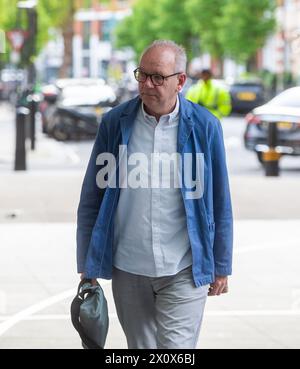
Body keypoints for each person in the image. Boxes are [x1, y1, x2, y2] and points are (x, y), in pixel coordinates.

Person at [77, 40, 233, 349]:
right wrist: (87, 260)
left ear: (180, 81)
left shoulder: (205, 127)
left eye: (158, 77)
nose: (147, 84)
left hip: (184, 267)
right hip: (128, 266)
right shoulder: (114, 124)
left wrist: (221, 263)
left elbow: (220, 200)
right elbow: (93, 196)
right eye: (142, 75)